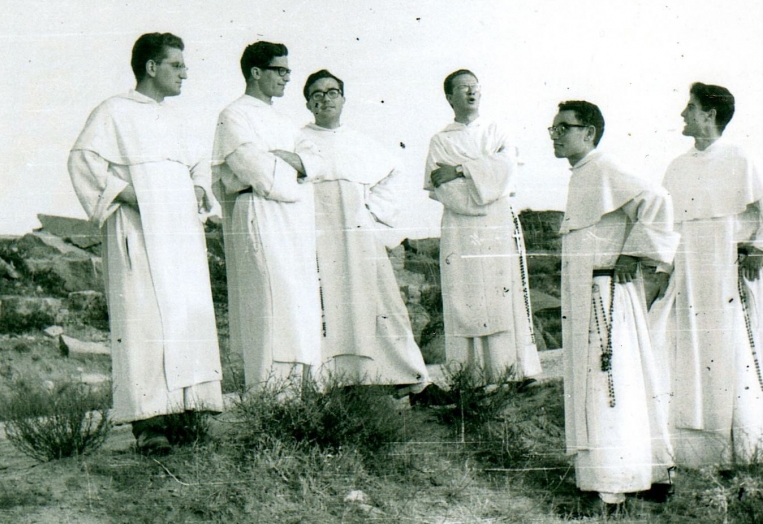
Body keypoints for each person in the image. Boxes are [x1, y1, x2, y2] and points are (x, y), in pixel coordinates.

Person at [68, 32, 224, 455]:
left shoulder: (176, 118)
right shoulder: (113, 112)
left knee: (185, 317)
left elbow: (197, 167)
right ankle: (149, 423)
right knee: (145, 319)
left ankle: (187, 412)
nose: (185, 73)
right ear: (151, 67)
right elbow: (83, 160)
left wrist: (197, 188)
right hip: (138, 229)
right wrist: (126, 194)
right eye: (177, 64)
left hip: (180, 234)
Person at [653, 82, 763, 468]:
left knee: (733, 357)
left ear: (710, 114)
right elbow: (667, 229)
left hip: (727, 275)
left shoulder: (741, 158)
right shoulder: (677, 167)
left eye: (690, 107)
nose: (682, 114)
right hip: (688, 278)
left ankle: (747, 451)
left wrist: (761, 247)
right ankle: (687, 454)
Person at [551, 100, 679, 506]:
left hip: (606, 293)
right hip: (589, 294)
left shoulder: (605, 167)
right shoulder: (582, 174)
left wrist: (633, 254)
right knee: (609, 383)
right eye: (552, 129)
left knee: (610, 384)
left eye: (562, 128)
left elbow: (658, 201)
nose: (554, 135)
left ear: (588, 131)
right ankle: (639, 474)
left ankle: (614, 487)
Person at [296, 70, 429, 395]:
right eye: (317, 93)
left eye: (332, 92)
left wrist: (371, 216)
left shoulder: (358, 141)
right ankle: (336, 383)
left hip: (359, 235)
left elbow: (392, 173)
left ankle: (408, 379)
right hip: (318, 236)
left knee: (381, 304)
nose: (325, 98)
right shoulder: (297, 138)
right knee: (327, 306)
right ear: (308, 102)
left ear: (343, 98)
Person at [212, 41, 322, 391]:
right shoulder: (234, 115)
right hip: (259, 212)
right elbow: (253, 168)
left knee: (297, 300)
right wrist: (292, 168)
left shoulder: (285, 121)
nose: (287, 78)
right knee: (269, 298)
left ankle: (303, 392)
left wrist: (289, 161)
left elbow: (314, 160)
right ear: (256, 72)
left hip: (293, 219)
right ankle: (271, 395)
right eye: (280, 70)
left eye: (289, 71)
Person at [424, 70, 541, 383]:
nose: (471, 93)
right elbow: (442, 188)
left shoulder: (497, 130)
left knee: (501, 292)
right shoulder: (440, 141)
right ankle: (470, 376)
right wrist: (479, 179)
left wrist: (461, 169)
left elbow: (508, 171)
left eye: (475, 87)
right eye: (462, 88)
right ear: (449, 97)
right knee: (465, 295)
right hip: (460, 228)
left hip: (496, 223)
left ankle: (512, 371)